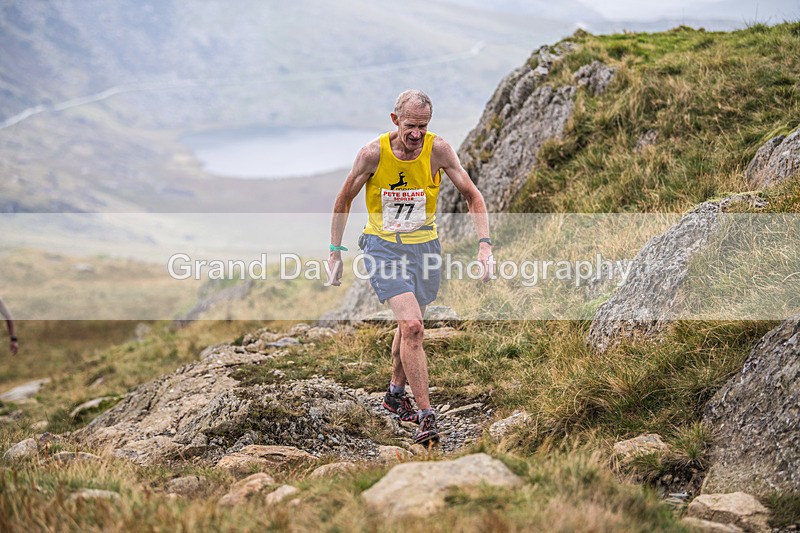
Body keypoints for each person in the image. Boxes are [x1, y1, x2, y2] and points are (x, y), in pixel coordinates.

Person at [328, 89, 493, 445]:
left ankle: (393, 394)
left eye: (423, 125)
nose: (416, 133)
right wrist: (335, 252)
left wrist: (484, 246)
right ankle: (426, 416)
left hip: (425, 249)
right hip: (383, 248)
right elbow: (343, 199)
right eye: (410, 126)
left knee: (410, 327)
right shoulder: (373, 154)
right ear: (394, 120)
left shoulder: (439, 150)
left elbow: (472, 195)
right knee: (414, 326)